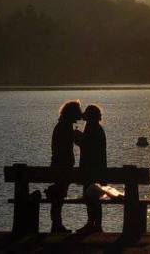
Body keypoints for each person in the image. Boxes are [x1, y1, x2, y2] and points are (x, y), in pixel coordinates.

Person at [48, 100, 83, 234]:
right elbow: (73, 144)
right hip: (63, 167)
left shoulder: (61, 125)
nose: (80, 114)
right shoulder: (66, 127)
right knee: (59, 196)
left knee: (59, 196)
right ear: (71, 113)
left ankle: (56, 224)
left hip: (58, 165)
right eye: (78, 111)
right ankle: (56, 225)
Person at [77, 104, 107, 234]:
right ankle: (95, 224)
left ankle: (92, 224)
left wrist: (76, 137)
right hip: (99, 169)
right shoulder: (97, 128)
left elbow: (86, 145)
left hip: (90, 170)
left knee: (90, 197)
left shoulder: (91, 128)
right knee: (94, 197)